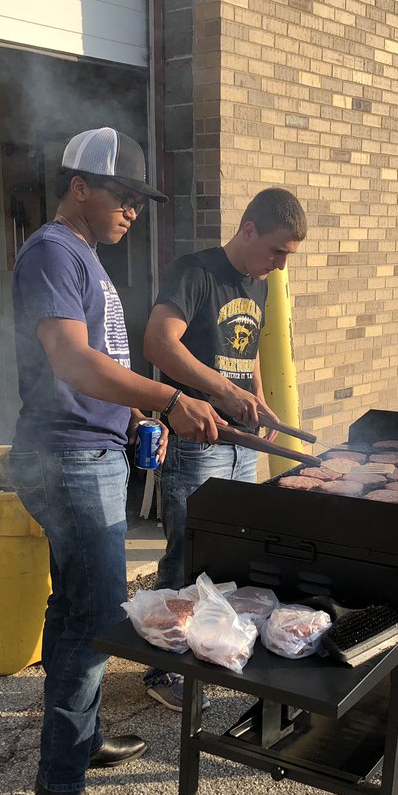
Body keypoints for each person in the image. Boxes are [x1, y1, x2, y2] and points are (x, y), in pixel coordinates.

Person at [8, 127, 225, 795]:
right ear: (79, 187)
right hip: (65, 459)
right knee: (93, 614)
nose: (133, 210)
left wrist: (135, 412)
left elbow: (98, 371)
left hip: (92, 450)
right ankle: (60, 781)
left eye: (139, 201)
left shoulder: (87, 261)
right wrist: (165, 400)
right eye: (123, 196)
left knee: (74, 603)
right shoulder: (51, 251)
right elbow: (71, 363)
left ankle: (82, 735)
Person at [141, 187, 308, 710]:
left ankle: (206, 647)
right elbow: (158, 344)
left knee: (229, 552)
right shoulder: (195, 272)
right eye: (277, 251)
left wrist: (255, 399)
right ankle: (161, 667)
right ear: (249, 230)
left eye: (289, 257)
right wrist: (223, 391)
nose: (281, 266)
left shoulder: (259, 284)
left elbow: (248, 348)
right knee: (186, 552)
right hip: (196, 442)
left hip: (240, 441)